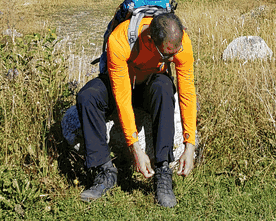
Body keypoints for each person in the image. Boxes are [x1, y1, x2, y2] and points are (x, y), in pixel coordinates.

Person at [76, 12, 196, 207]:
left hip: (150, 85)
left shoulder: (180, 43)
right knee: (87, 97)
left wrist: (190, 145)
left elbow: (187, 93)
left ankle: (163, 171)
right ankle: (104, 171)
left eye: (176, 52)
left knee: (164, 87)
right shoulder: (120, 39)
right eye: (167, 55)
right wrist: (135, 148)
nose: (174, 57)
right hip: (122, 83)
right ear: (149, 40)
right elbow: (122, 98)